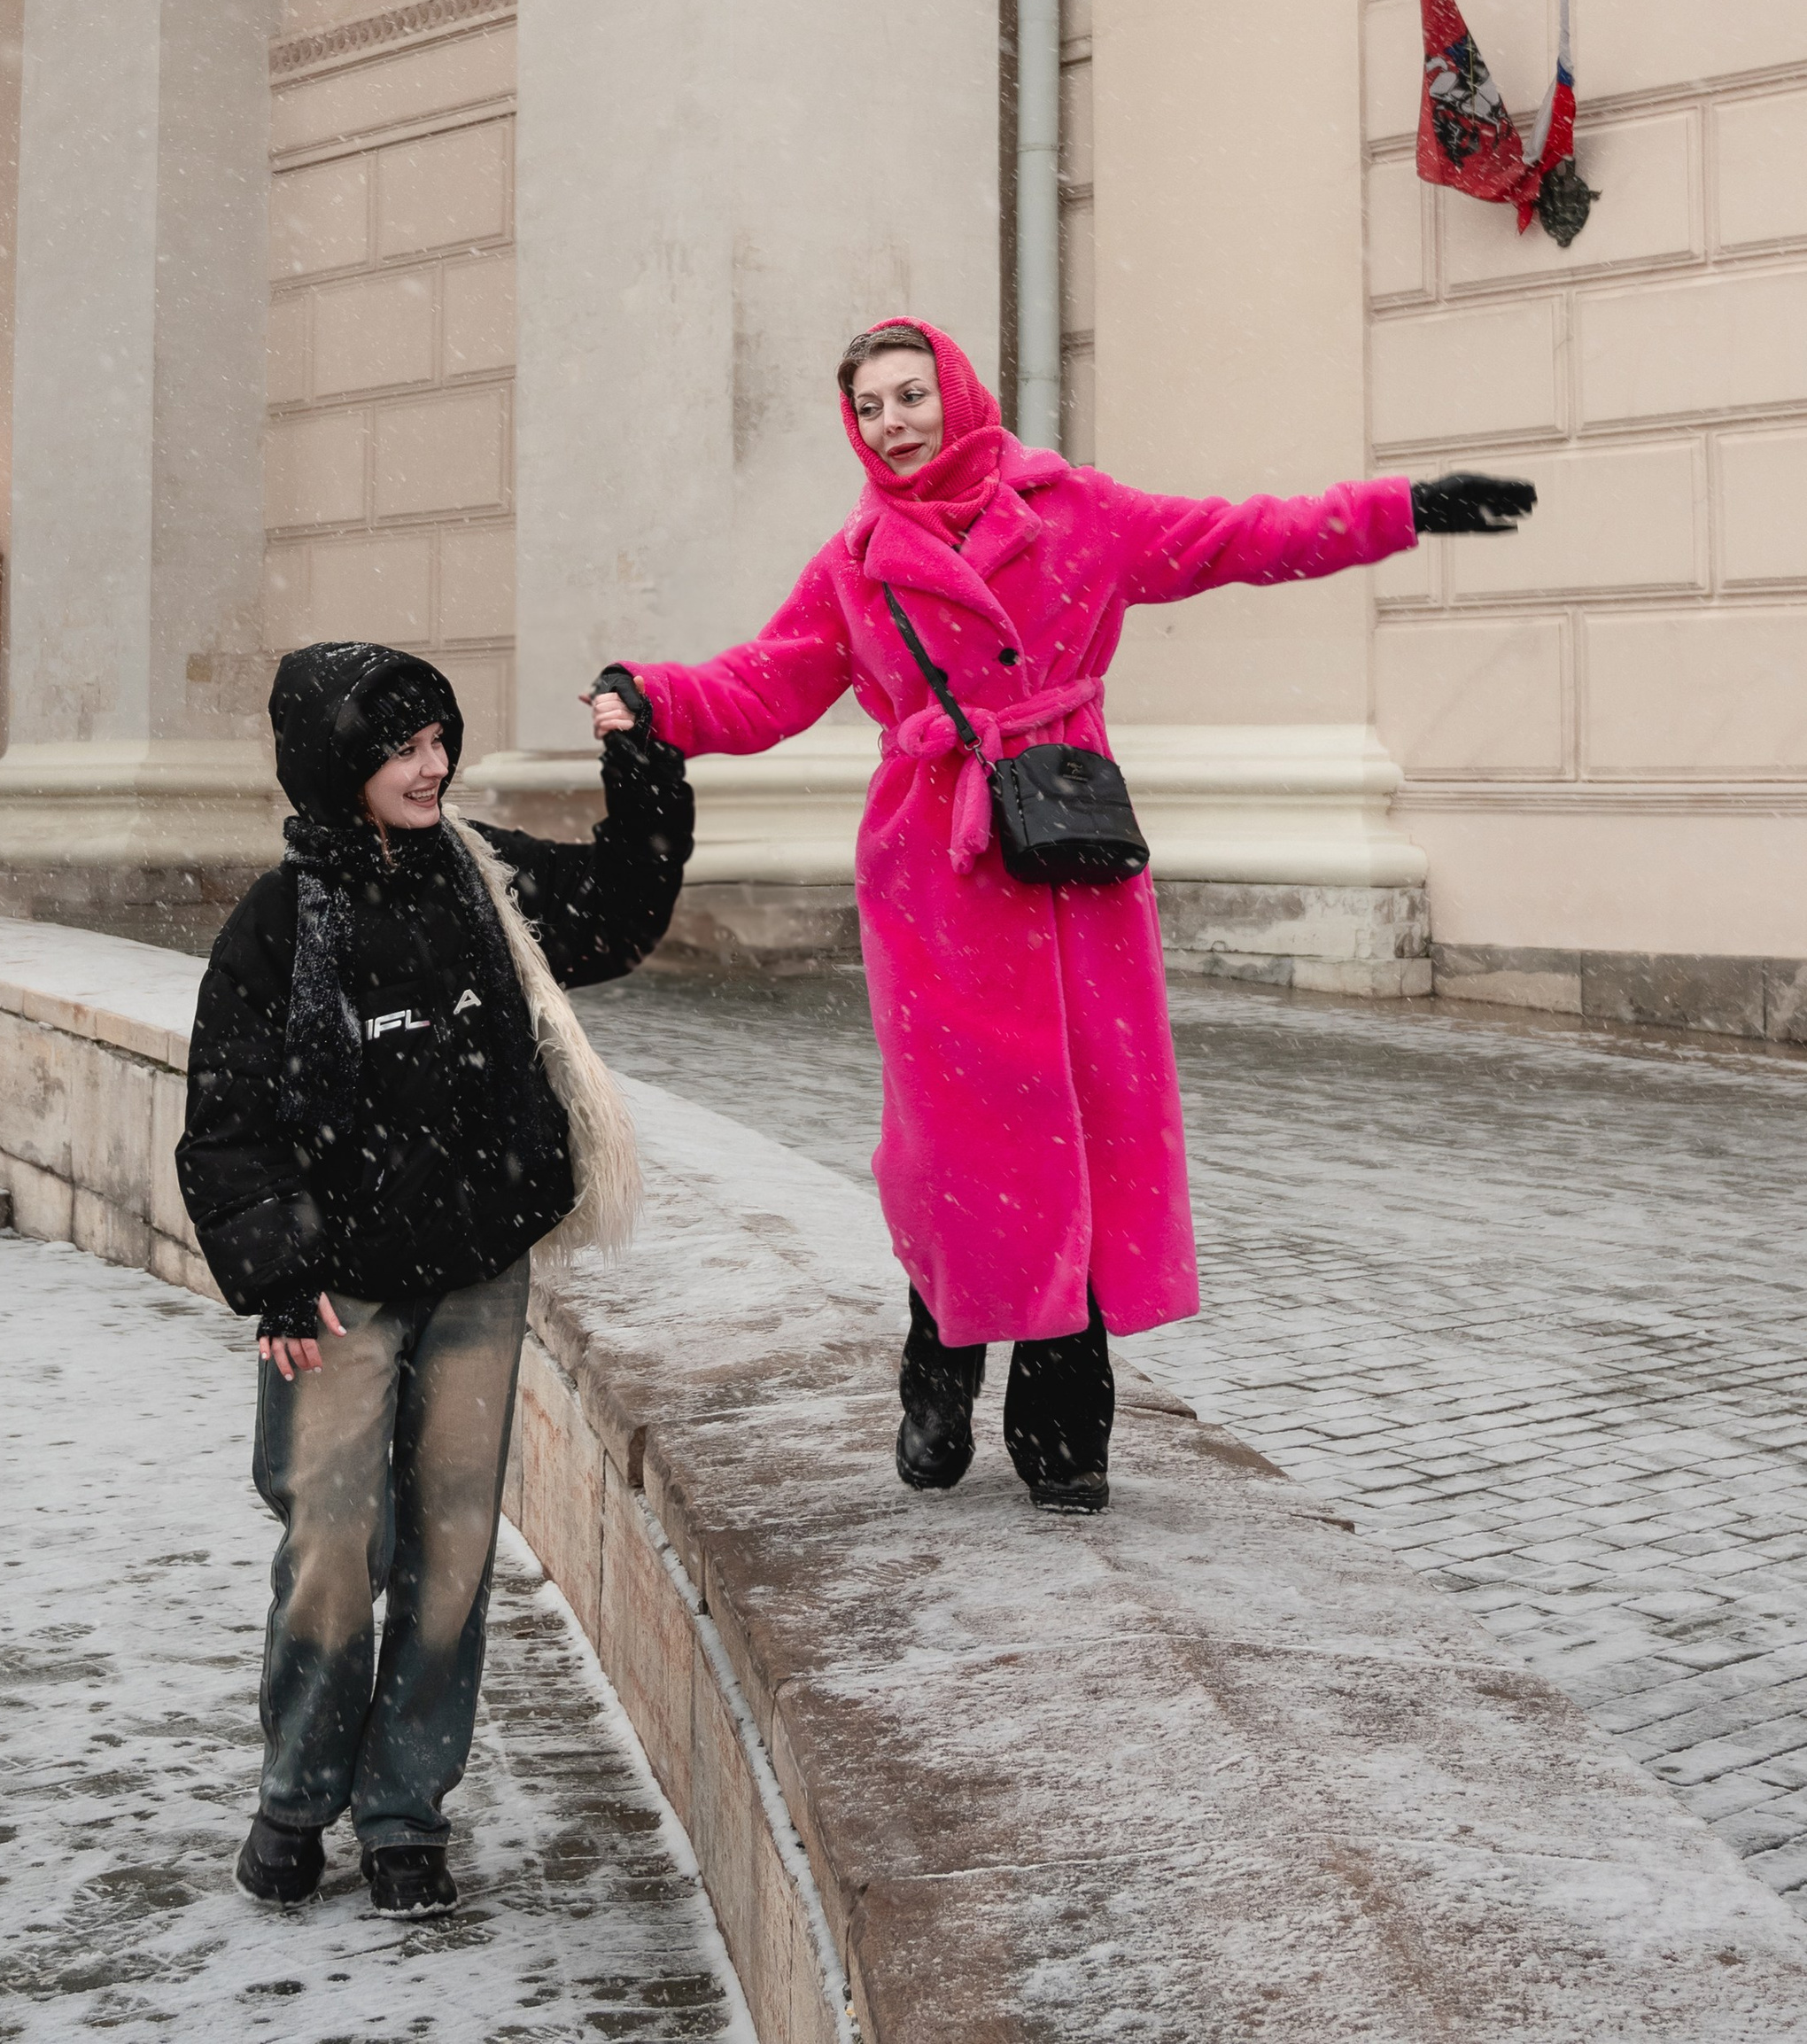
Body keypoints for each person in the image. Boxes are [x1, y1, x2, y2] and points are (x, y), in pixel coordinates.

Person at [589, 320, 1532, 1515]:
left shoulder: (1075, 511)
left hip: (1070, 857)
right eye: (871, 407)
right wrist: (653, 693)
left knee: (1083, 1126)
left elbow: (1246, 538)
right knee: (952, 1144)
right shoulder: (858, 562)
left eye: (911, 394)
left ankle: (1062, 1416)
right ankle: (940, 1355)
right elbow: (766, 681)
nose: (895, 422)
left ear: (957, 391)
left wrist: (1405, 508)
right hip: (934, 877)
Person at [177, 640, 691, 1915]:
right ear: (335, 762)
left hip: (476, 1276)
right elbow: (228, 1121)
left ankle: (406, 1809)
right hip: (341, 1294)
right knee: (334, 1543)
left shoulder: (485, 878)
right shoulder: (279, 923)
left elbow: (622, 911)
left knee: (455, 1548)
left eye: (435, 743)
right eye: (400, 749)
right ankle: (296, 1797)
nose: (432, 767)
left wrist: (642, 764)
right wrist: (280, 1281)